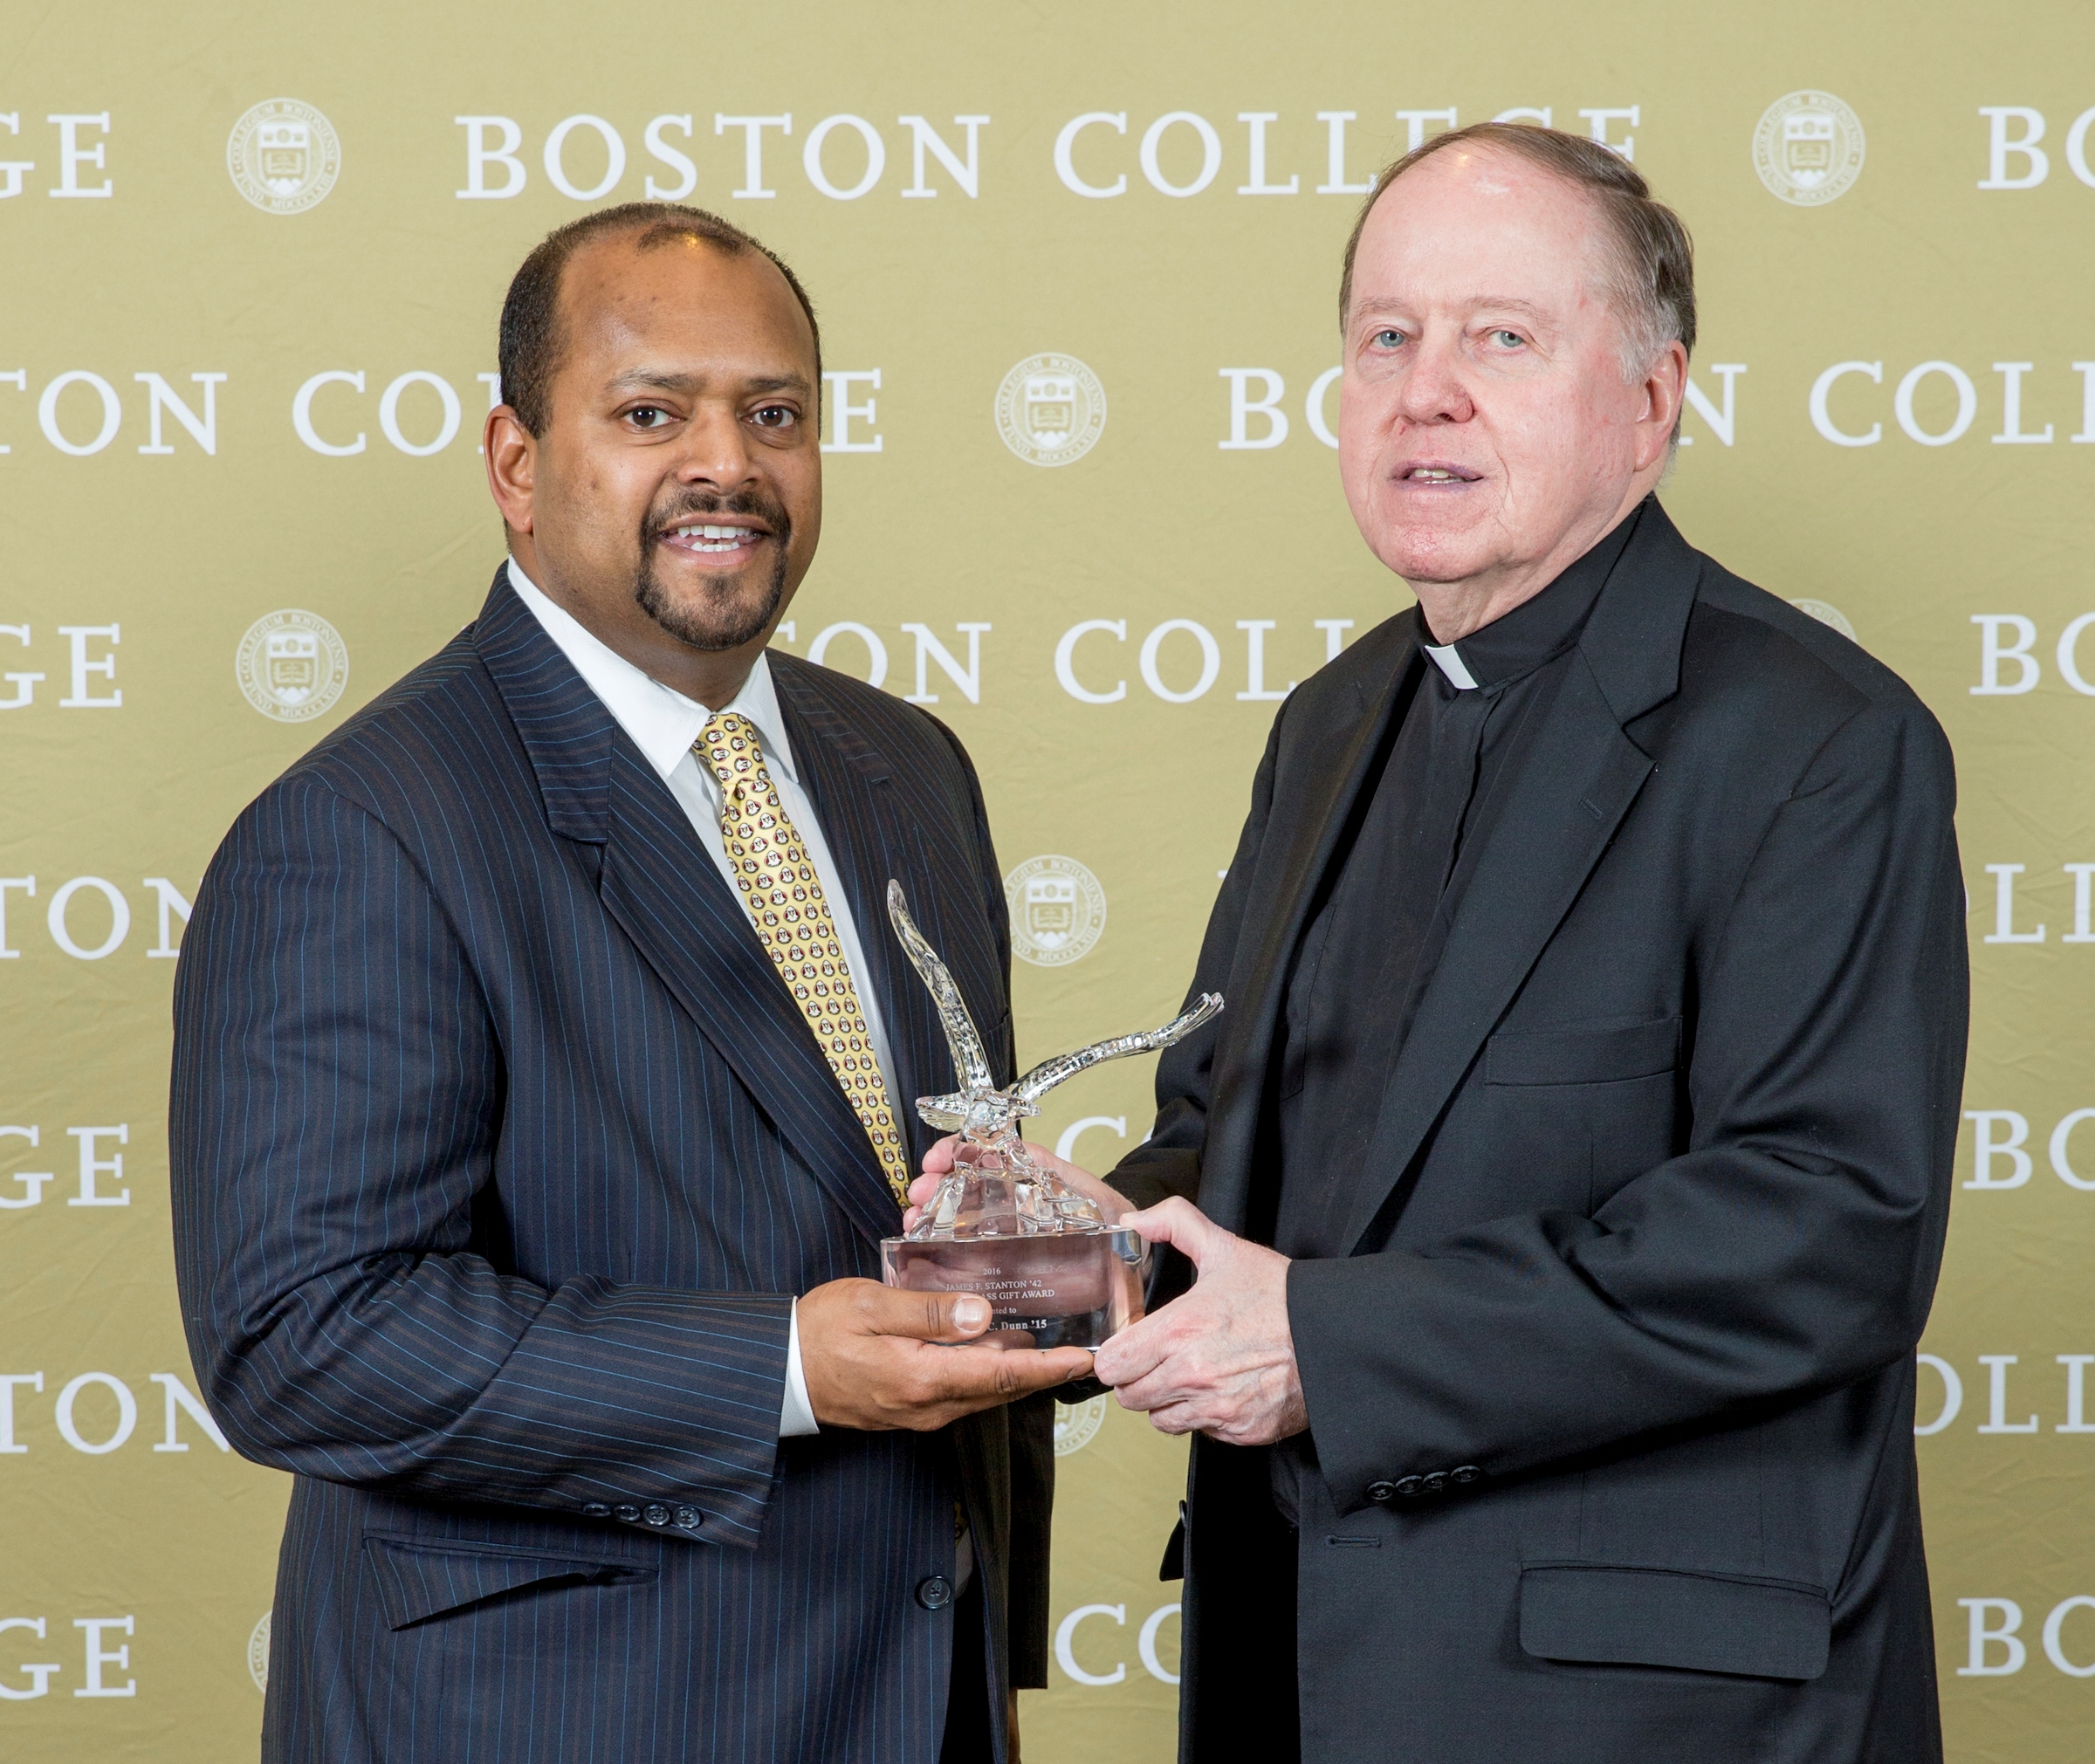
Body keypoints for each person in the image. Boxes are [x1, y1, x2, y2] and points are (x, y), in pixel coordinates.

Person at [994, 123, 1967, 1761]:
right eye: (1387, 337)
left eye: (1500, 339)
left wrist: (1325, 1344)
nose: (1422, 390)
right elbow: (1236, 1153)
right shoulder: (1330, 720)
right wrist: (1070, 1250)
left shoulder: (1819, 740)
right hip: (1292, 1673)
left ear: (1650, 404)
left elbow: (1823, 1227)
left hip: (1645, 1711)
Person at [168, 202, 1091, 1764]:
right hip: (564, 1716)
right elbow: (303, 1338)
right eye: (651, 412)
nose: (726, 464)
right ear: (517, 465)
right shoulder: (360, 827)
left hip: (905, 1695)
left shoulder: (906, 767)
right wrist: (787, 1368)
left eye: (775, 414)